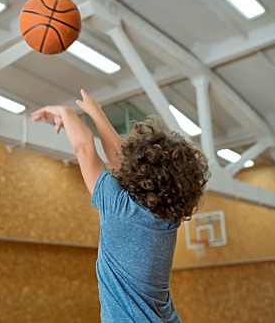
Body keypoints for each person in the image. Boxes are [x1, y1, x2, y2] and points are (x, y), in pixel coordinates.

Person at [31, 89, 210, 323]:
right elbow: (116, 159)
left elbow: (86, 147)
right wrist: (95, 113)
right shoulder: (168, 219)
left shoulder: (119, 208)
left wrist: (66, 112)